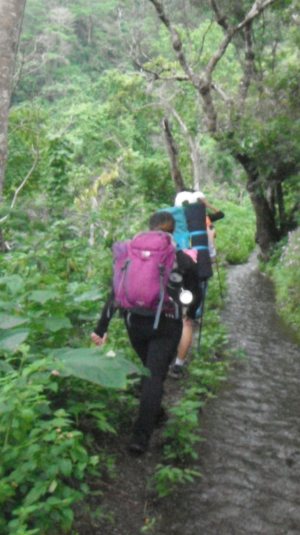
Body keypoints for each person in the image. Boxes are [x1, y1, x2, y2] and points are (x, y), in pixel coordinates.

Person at [91, 211, 199, 455]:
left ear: (149, 228)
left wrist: (102, 327)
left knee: (150, 371)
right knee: (154, 376)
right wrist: (187, 306)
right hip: (166, 325)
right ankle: (140, 438)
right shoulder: (181, 260)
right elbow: (193, 296)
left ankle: (156, 412)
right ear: (172, 232)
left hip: (134, 322)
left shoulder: (130, 254)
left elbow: (115, 292)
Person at [168, 193, 224, 378]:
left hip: (170, 274)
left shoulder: (171, 223)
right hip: (195, 270)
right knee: (186, 321)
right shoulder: (201, 223)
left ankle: (164, 355)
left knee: (169, 316)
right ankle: (178, 364)